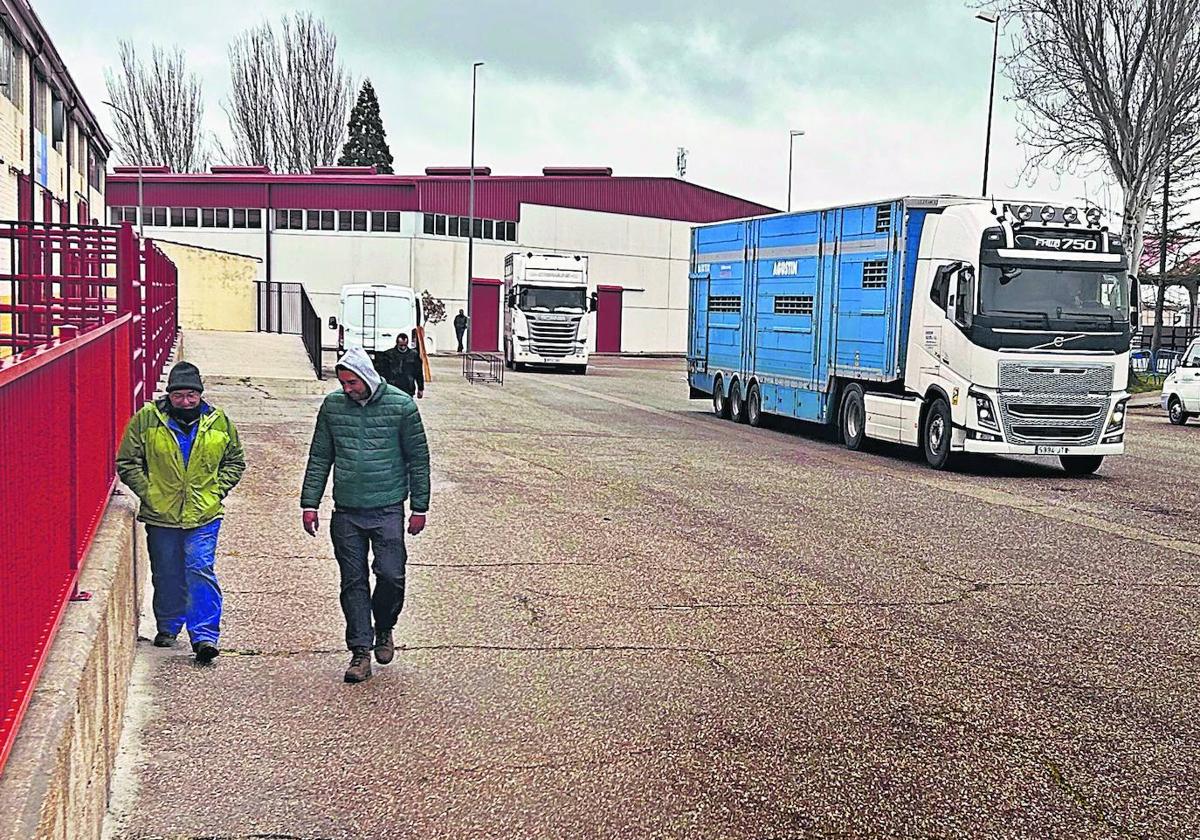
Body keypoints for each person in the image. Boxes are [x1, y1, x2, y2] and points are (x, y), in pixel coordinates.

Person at [301, 347, 431, 683]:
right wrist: (310, 503)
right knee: (353, 582)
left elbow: (418, 459)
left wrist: (420, 506)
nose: (347, 389)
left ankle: (384, 627)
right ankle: (360, 651)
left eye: (352, 382)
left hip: (387, 506)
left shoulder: (401, 406)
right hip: (347, 510)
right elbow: (319, 456)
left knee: (391, 575)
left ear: (367, 376)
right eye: (343, 383)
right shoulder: (332, 408)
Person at [116, 361, 245, 663]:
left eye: (191, 396)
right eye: (178, 396)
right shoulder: (147, 420)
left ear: (200, 394)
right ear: (168, 395)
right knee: (168, 571)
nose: (185, 402)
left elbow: (235, 462)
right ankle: (169, 625)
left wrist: (215, 491)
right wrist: (150, 493)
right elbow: (128, 462)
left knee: (199, 567)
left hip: (204, 514)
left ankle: (204, 636)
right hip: (162, 516)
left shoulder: (219, 422)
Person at [374, 332, 424, 399]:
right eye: (401, 345)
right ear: (397, 343)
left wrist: (420, 388)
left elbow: (419, 373)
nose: (403, 347)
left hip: (408, 388)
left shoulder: (414, 355)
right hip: (393, 387)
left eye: (405, 345)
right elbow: (382, 372)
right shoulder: (388, 355)